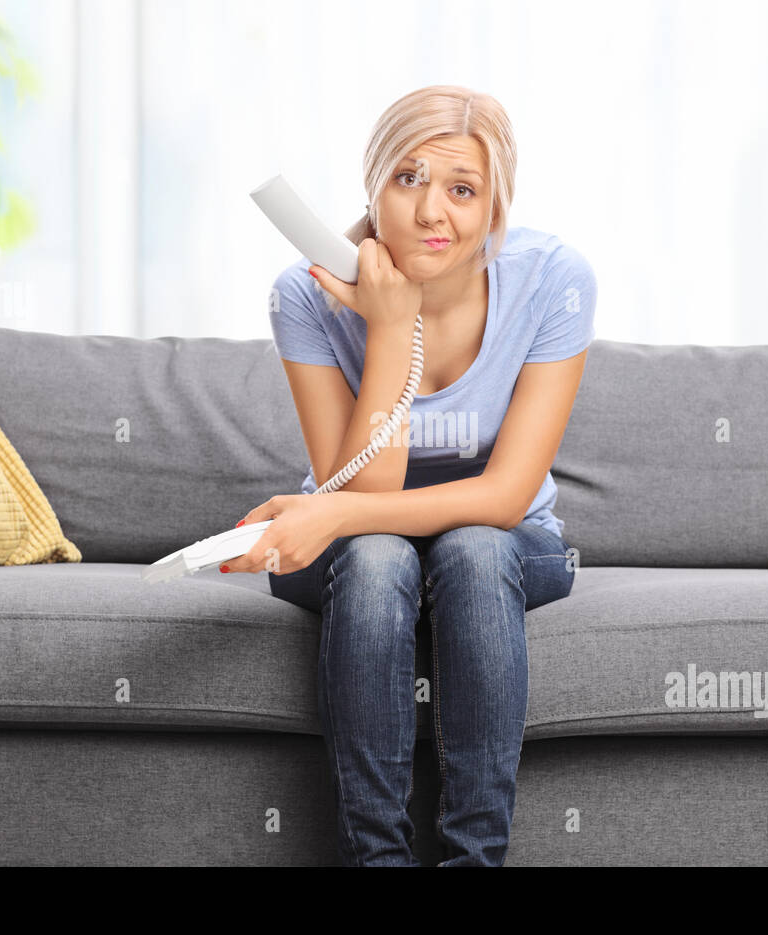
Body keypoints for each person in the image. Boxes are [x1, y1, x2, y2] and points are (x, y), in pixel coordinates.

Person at [223, 84, 597, 866]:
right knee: (376, 553)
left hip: (503, 540)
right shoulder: (306, 294)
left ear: (494, 206)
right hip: (360, 541)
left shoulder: (552, 280)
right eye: (409, 179)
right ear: (372, 186)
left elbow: (503, 498)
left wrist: (327, 515)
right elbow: (371, 500)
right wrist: (393, 326)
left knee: (476, 547)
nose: (433, 213)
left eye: (463, 190)